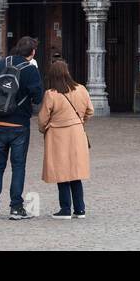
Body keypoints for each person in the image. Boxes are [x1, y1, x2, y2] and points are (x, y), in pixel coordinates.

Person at [0, 36, 44, 219]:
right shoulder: (30, 69)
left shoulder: (1, 64)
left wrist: (2, 100)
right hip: (19, 124)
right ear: (32, 53)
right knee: (18, 166)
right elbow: (38, 97)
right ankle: (16, 208)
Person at [37, 59, 94, 219]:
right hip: (77, 134)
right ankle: (80, 208)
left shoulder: (51, 94)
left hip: (57, 135)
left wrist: (44, 130)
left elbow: (43, 119)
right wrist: (79, 122)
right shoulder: (81, 89)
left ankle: (65, 208)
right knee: (75, 172)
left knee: (61, 172)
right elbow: (90, 110)